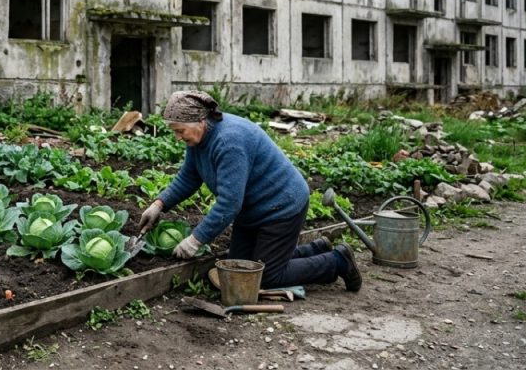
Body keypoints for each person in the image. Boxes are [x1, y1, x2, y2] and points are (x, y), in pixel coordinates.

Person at [137, 90, 362, 292]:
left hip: (281, 206)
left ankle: (336, 261)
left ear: (199, 120)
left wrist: (196, 240)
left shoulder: (228, 141)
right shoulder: (197, 140)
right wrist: (159, 204)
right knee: (238, 267)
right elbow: (189, 176)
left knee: (265, 276)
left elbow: (229, 203)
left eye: (180, 131)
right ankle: (315, 249)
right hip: (252, 211)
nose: (178, 137)